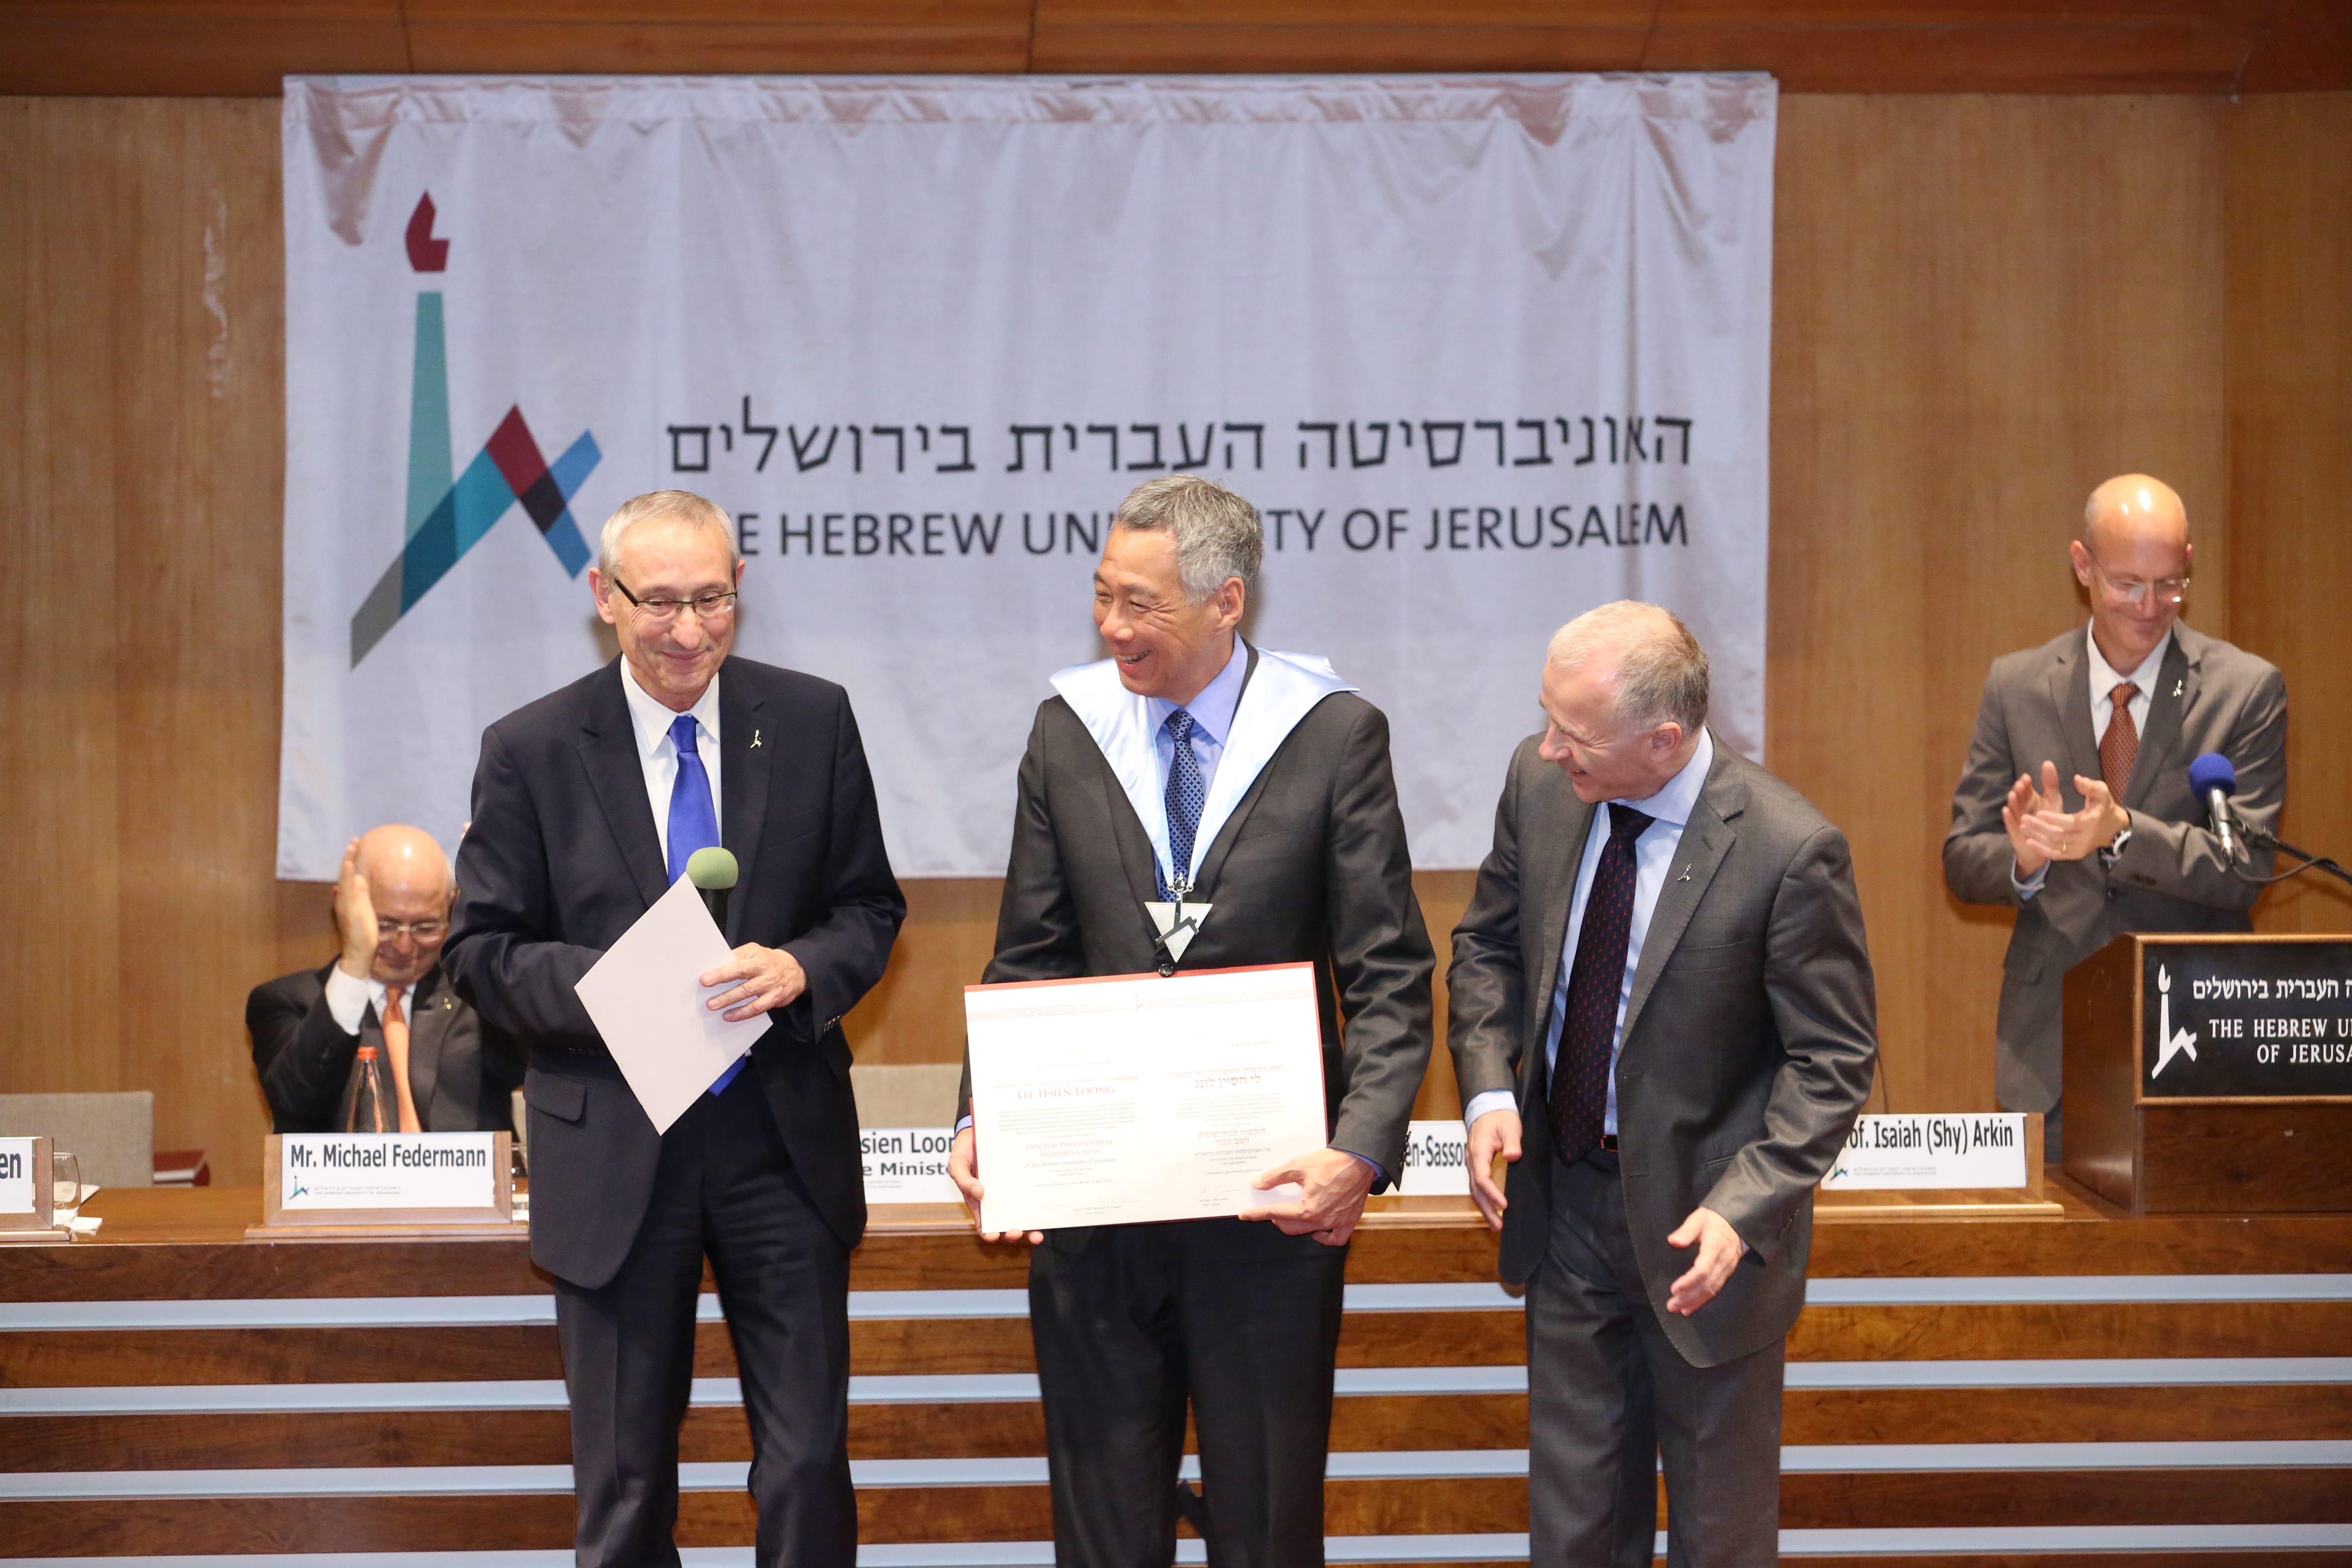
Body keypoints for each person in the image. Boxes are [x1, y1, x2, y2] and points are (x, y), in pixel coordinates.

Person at [946, 474, 1434, 1568]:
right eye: (1103, 596)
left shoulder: (1333, 736)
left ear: (1228, 602)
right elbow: (1029, 956)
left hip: (1268, 1213)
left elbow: (1391, 972)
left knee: (1264, 1526)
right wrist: (988, 1119)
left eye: (1144, 605)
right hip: (1097, 1217)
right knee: (1105, 1532)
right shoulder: (1068, 732)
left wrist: (1359, 1153)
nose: (1114, 627)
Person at [442, 489, 905, 1568]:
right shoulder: (533, 749)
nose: (689, 631)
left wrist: (798, 967)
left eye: (714, 601)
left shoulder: (812, 718)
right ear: (605, 599)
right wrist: (625, 985)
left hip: (778, 1145)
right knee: (627, 1476)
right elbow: (482, 951)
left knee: (803, 1466)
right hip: (613, 1145)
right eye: (661, 603)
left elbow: (870, 909)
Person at [1449, 601, 1877, 1568]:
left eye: (1575, 732)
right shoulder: (1540, 781)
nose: (1549, 747)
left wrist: (1743, 1205)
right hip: (1563, 1212)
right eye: (1545, 718)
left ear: (1664, 738)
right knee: (1573, 1535)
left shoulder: (1785, 848)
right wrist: (1485, 1092)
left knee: (1715, 1539)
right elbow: (1483, 946)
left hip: (1703, 1241)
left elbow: (1833, 1060)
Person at [1944, 475, 2285, 1155]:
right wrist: (2027, 859)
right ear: (2083, 566)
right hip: (2050, 1048)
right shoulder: (2017, 685)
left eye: (2170, 583)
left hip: (2201, 1032)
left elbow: (2247, 867)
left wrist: (2124, 833)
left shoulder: (2246, 690)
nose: (2151, 605)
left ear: (2189, 561)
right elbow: (1963, 858)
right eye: (2129, 583)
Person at [249, 824, 521, 1133]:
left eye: (426, 927)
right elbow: (295, 1104)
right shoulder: (286, 1002)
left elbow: (540, 1053)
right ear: (345, 908)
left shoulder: (475, 996)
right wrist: (356, 963)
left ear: (451, 907)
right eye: (386, 925)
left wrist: (506, 906)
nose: (405, 947)